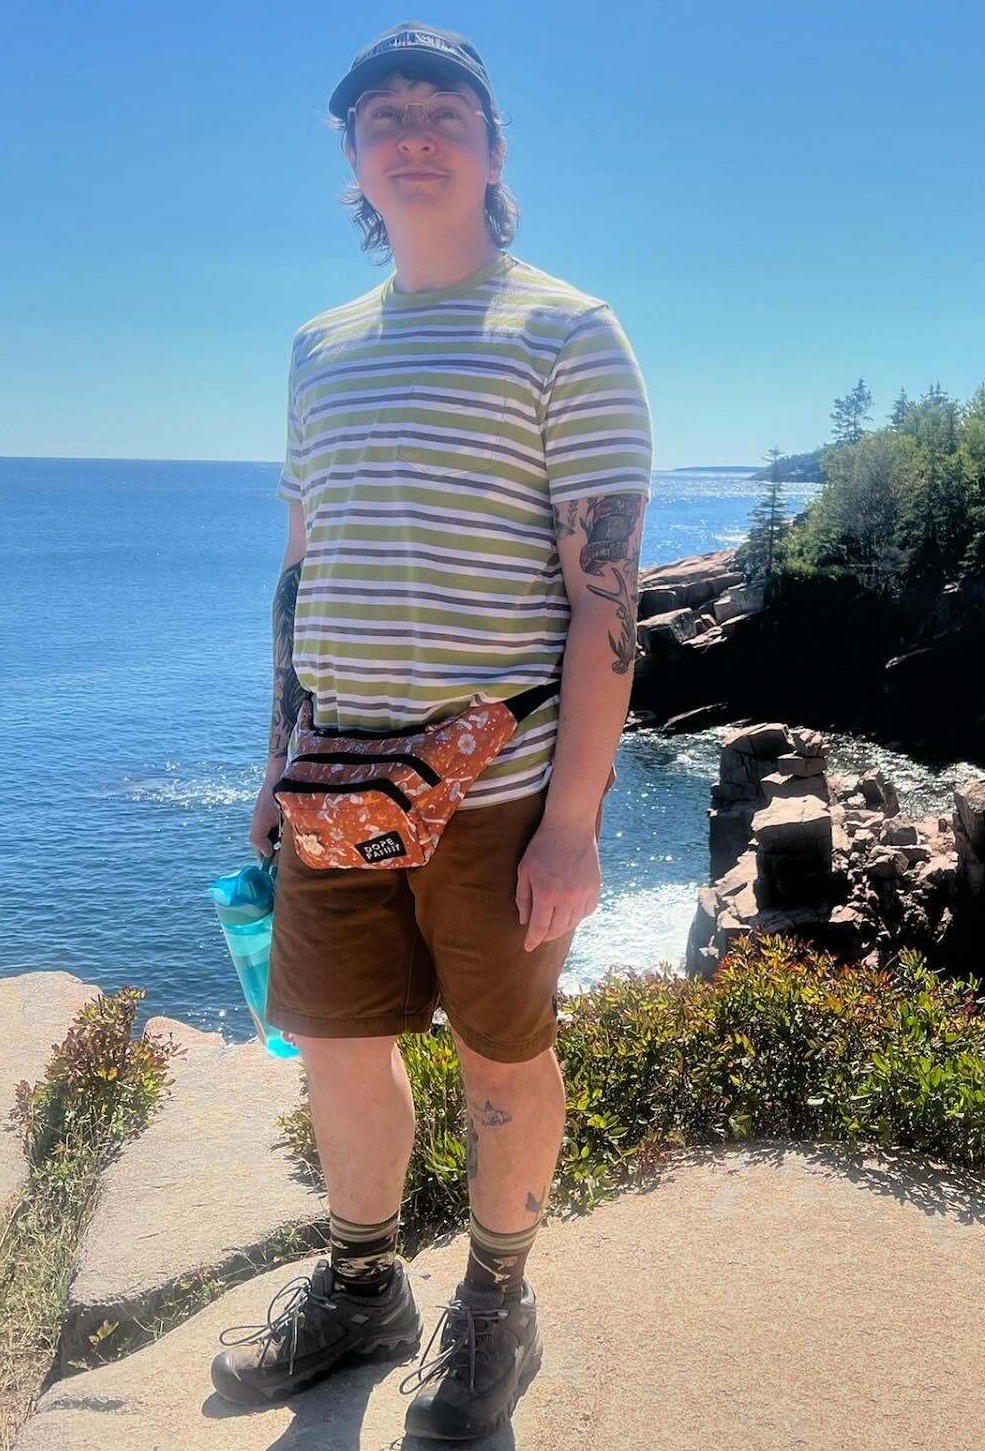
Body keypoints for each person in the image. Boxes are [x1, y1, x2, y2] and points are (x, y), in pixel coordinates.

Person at [209, 23, 652, 1442]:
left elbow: (608, 605)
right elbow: (302, 569)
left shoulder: (569, 332)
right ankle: (363, 1286)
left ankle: (498, 1302)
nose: (412, 132)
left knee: (500, 1056)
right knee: (341, 1045)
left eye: (442, 110)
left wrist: (576, 822)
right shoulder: (318, 349)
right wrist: (272, 765)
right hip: (336, 778)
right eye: (382, 115)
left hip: (501, 790)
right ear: (351, 158)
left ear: (493, 148)